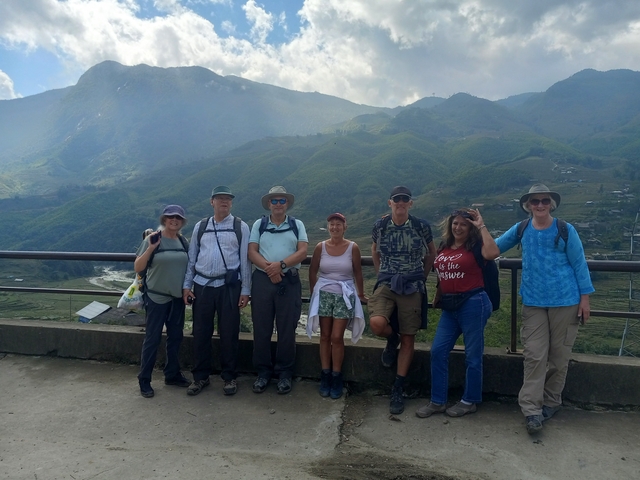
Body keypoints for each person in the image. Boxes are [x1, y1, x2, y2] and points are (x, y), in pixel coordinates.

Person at [495, 184, 594, 434]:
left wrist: (585, 299)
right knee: (535, 355)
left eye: (544, 201)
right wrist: (476, 230)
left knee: (559, 357)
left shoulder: (565, 229)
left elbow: (579, 264)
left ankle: (551, 402)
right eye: (535, 201)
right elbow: (493, 248)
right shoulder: (522, 228)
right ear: (528, 205)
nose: (540, 205)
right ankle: (532, 410)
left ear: (551, 204)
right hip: (534, 301)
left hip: (566, 300)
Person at [416, 208, 499, 419]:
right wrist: (438, 294)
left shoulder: (476, 245)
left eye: (464, 224)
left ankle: (469, 401)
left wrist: (481, 226)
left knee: (472, 356)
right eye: (455, 223)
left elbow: (493, 254)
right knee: (438, 351)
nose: (458, 227)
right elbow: (444, 273)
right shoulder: (445, 246)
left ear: (470, 227)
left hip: (473, 302)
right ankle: (438, 401)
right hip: (450, 306)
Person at [369, 186, 437, 414]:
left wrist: (422, 277)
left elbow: (431, 253)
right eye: (396, 199)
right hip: (388, 282)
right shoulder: (380, 225)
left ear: (410, 203)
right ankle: (391, 339)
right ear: (389, 203)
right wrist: (380, 275)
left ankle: (398, 387)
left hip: (412, 284)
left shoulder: (421, 226)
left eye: (404, 199)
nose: (400, 202)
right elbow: (374, 249)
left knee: (409, 336)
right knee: (377, 323)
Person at [182, 186, 251, 396]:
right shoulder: (200, 226)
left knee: (229, 332)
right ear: (211, 202)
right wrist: (187, 285)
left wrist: (246, 289)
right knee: (201, 332)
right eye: (220, 198)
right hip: (202, 285)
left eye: (228, 199)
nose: (224, 202)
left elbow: (246, 261)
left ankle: (229, 377)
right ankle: (200, 377)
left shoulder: (240, 227)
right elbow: (192, 258)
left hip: (229, 287)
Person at [248, 186, 308, 395]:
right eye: (274, 201)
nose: (278, 204)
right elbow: (251, 251)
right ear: (268, 204)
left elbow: (302, 251)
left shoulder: (296, 224)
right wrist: (270, 269)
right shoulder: (259, 224)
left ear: (287, 204)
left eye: (282, 201)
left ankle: (284, 374)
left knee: (286, 329)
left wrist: (279, 266)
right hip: (263, 280)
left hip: (288, 281)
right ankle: (263, 373)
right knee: (262, 328)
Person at [307, 213, 368, 399]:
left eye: (338, 224)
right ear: (328, 227)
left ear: (344, 227)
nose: (335, 227)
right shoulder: (320, 247)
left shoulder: (352, 247)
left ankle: (337, 375)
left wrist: (360, 294)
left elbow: (358, 272)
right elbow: (312, 270)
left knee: (337, 336)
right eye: (332, 224)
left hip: (344, 295)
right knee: (325, 336)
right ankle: (325, 375)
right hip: (324, 293)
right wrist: (313, 294)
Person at [135, 205, 190, 398]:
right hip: (156, 297)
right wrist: (150, 248)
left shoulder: (183, 241)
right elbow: (138, 266)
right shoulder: (154, 238)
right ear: (164, 219)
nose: (174, 220)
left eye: (178, 217)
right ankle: (144, 379)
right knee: (152, 339)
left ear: (182, 222)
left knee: (175, 338)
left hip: (177, 299)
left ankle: (172, 374)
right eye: (170, 217)